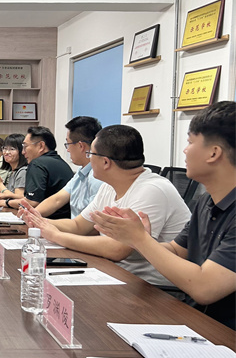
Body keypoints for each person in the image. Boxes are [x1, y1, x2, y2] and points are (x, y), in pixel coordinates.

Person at [90, 102, 235, 328]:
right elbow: (177, 250)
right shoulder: (206, 202)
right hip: (197, 319)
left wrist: (140, 239)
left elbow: (205, 288)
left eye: (190, 142)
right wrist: (138, 240)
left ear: (213, 153)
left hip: (223, 331)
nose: (185, 150)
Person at [20, 124, 191, 290]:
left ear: (106, 162)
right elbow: (78, 225)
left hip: (153, 289)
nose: (88, 158)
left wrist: (57, 236)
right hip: (116, 275)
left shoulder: (152, 190)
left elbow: (117, 249)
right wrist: (41, 222)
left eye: (91, 154)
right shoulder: (109, 186)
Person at [33, 116, 103, 218]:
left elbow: (88, 223)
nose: (68, 150)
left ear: (81, 146)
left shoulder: (97, 177)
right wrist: (31, 214)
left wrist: (41, 222)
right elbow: (57, 200)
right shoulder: (81, 172)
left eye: (68, 144)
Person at [6, 126, 73, 218]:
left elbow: (32, 202)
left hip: (49, 220)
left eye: (25, 147)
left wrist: (5, 203)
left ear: (41, 146)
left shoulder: (37, 164)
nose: (23, 152)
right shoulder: (60, 162)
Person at [0, 134, 28, 202]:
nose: (6, 152)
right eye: (5, 148)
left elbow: (19, 199)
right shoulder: (13, 171)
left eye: (12, 149)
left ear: (22, 151)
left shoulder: (22, 171)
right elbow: (8, 196)